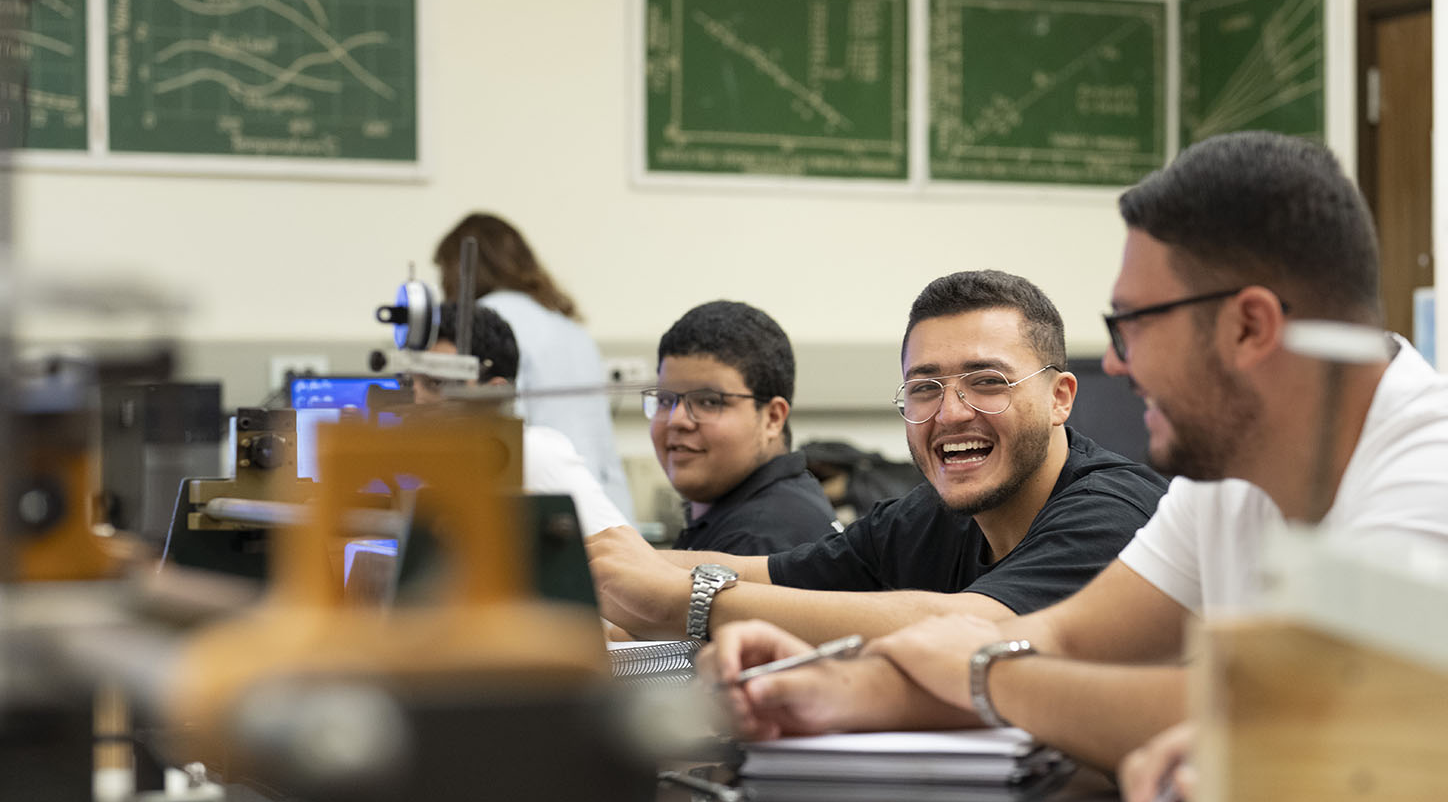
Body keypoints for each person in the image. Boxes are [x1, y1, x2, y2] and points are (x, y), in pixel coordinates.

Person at [708, 133, 1448, 771]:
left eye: (1133, 324)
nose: (1118, 362)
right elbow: (1060, 639)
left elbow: (1286, 717)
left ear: (1249, 325)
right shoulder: (1231, 479)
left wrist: (985, 671)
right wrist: (826, 690)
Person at [585, 270, 1168, 645]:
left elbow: (969, 631)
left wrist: (684, 603)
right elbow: (773, 576)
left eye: (987, 381)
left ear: (1059, 397)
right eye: (924, 387)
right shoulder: (931, 518)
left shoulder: (1113, 515)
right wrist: (606, 559)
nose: (951, 412)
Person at [434, 212, 636, 522]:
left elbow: (500, 433)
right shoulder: (571, 328)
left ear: (458, 271)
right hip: (605, 507)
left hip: (542, 506)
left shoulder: (486, 322)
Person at [416, 303, 629, 537]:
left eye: (436, 383)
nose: (417, 399)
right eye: (408, 383)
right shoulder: (431, 469)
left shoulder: (531, 454)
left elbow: (631, 560)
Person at [649, 300, 837, 555]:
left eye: (708, 401)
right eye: (665, 400)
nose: (676, 419)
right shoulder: (755, 508)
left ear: (772, 418)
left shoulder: (758, 539)